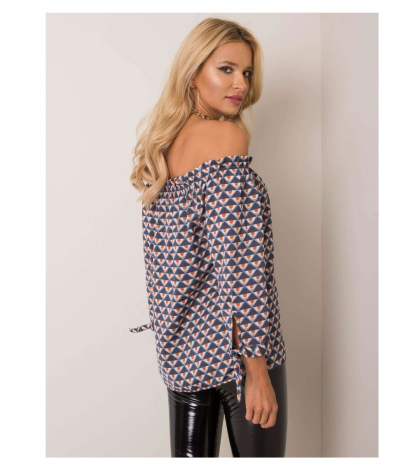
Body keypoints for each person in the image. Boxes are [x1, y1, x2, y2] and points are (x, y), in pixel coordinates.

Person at [129, 17, 288, 457]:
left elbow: (166, 270)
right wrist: (257, 369)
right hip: (239, 354)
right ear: (192, 72)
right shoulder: (226, 137)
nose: (241, 84)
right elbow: (238, 264)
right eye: (226, 69)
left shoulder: (164, 147)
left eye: (247, 72)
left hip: (183, 351)